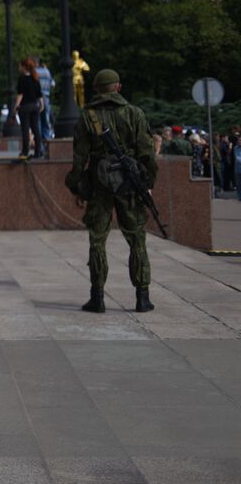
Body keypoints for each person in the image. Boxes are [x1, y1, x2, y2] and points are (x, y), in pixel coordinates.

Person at [66, 69, 156, 313]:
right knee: (137, 239)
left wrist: (76, 187)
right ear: (118, 87)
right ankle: (142, 297)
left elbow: (79, 159)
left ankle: (97, 297)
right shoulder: (135, 114)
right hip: (129, 184)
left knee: (97, 240)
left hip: (99, 185)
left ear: (96, 90)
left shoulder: (88, 116)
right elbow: (147, 153)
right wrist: (148, 183)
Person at [11, 57, 43, 160]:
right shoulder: (35, 77)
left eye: (20, 65)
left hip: (25, 107)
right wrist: (41, 105)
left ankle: (25, 152)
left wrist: (16, 106)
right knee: (36, 129)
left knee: (25, 130)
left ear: (24, 67)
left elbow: (20, 94)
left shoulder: (22, 78)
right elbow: (39, 94)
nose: (19, 67)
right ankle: (38, 152)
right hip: (35, 106)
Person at [35, 55, 55, 140]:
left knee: (38, 120)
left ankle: (40, 144)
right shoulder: (47, 71)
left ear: (35, 63)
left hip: (37, 98)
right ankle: (47, 140)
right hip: (46, 97)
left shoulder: (34, 72)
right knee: (46, 120)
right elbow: (53, 84)